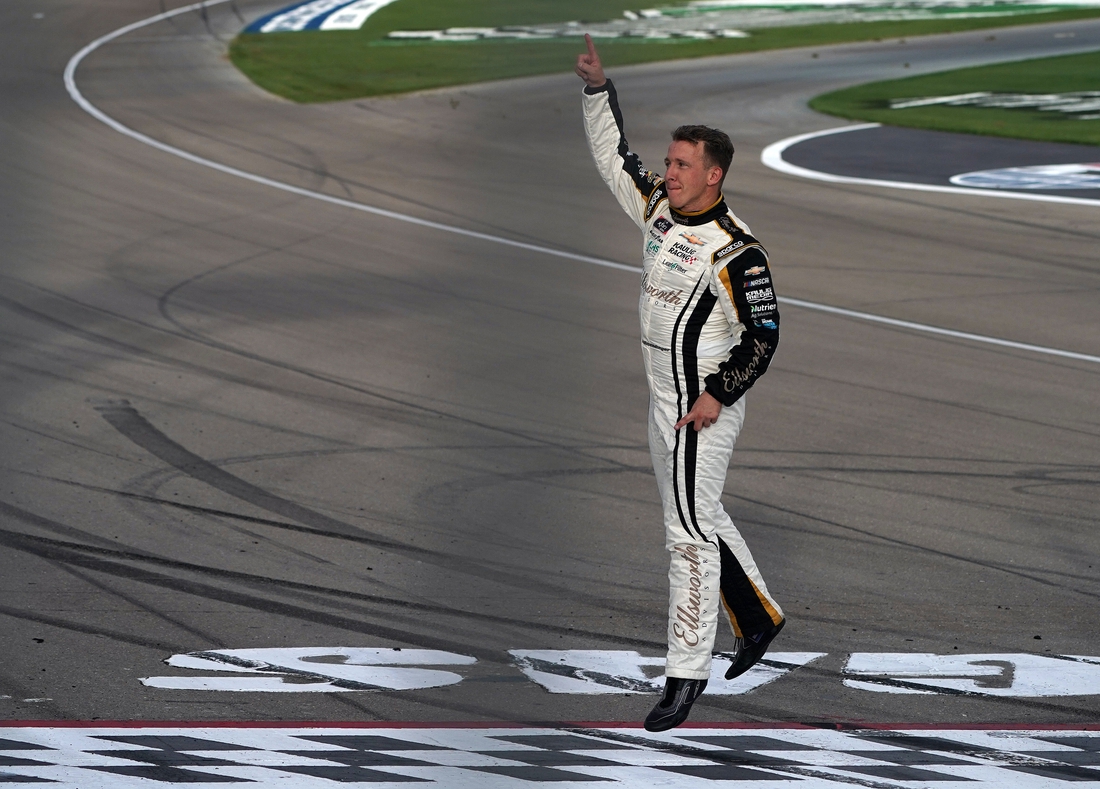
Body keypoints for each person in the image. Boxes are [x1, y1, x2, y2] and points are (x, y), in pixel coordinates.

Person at [576, 35, 785, 732]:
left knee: (686, 536)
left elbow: (765, 334)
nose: (667, 172)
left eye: (682, 165)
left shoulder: (736, 250)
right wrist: (598, 92)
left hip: (700, 409)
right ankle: (757, 617)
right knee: (701, 514)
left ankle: (683, 675)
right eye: (668, 161)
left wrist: (716, 393)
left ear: (715, 175)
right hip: (662, 400)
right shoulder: (661, 212)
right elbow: (615, 161)